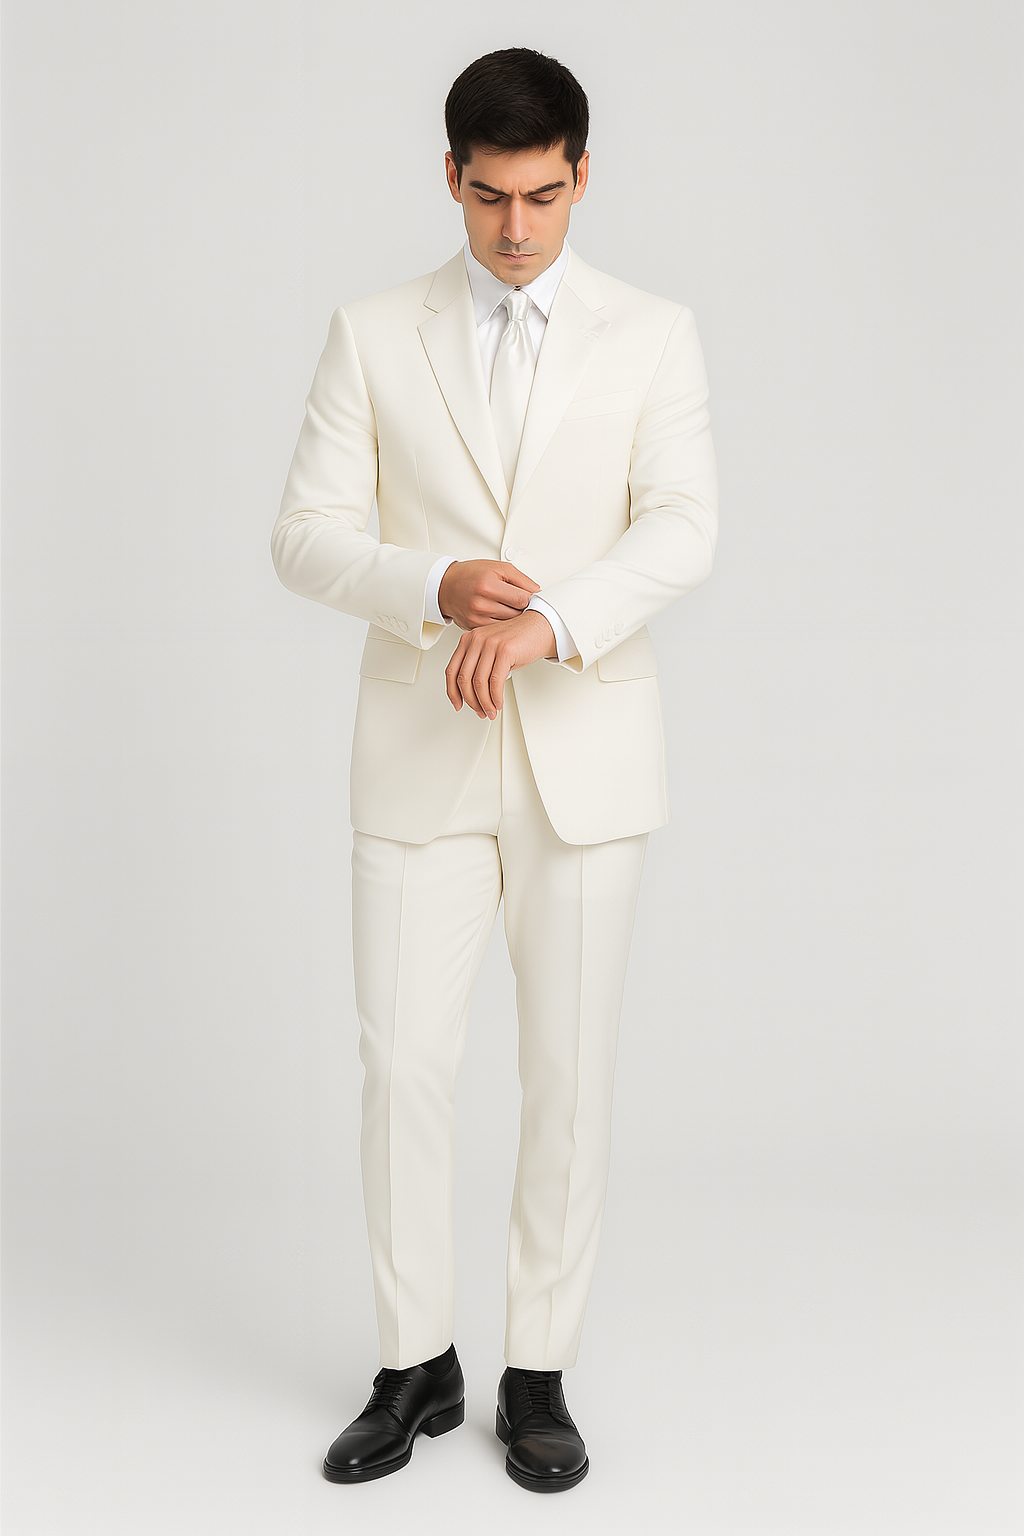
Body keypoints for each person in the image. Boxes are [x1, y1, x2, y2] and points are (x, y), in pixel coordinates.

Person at [272, 46, 718, 1492]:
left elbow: (684, 525)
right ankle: (416, 1366)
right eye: (487, 198)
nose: (515, 229)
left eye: (541, 196)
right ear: (450, 180)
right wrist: (434, 581)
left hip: (586, 755)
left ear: (583, 176)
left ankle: (538, 1375)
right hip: (421, 754)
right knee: (402, 1064)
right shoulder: (369, 332)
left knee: (567, 1074)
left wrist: (550, 624)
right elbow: (303, 536)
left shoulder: (654, 334)